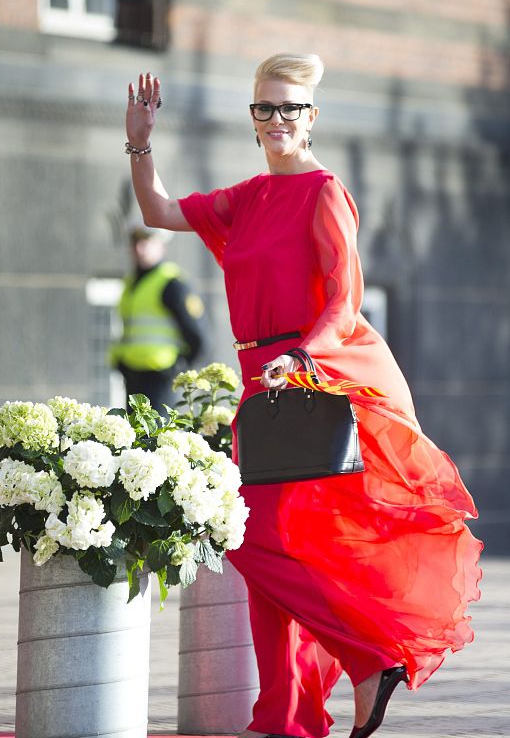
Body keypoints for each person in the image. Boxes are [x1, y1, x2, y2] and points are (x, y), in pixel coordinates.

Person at [125, 55, 482, 738]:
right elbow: (158, 210)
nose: (277, 119)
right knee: (268, 551)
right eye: (265, 107)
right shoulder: (249, 197)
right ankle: (284, 716)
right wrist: (140, 141)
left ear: (311, 116)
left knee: (251, 537)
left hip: (310, 379)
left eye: (290, 107)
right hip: (260, 388)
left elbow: (343, 305)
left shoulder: (325, 192)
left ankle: (368, 657)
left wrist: (297, 358)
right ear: (253, 117)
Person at [109, 222, 206, 412]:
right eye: (135, 242)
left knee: (158, 439)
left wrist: (179, 373)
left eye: (146, 241)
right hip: (132, 377)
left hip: (161, 380)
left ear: (161, 244)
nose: (139, 248)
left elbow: (200, 339)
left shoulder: (172, 284)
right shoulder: (131, 283)